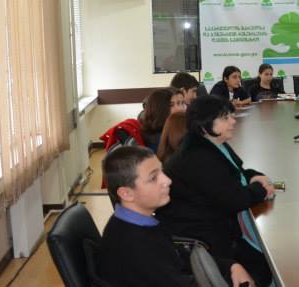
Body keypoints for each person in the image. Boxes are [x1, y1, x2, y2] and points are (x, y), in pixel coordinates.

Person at [157, 96, 275, 287]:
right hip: (205, 238)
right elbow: (235, 199)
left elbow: (235, 173)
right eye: (225, 118)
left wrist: (254, 176)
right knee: (267, 263)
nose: (233, 121)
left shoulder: (212, 143)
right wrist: (261, 189)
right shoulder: (197, 156)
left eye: (231, 115)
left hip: (215, 224)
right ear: (204, 125)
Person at [98, 145, 254, 287]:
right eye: (153, 178)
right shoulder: (136, 247)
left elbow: (178, 256)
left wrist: (230, 266)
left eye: (162, 171)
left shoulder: (142, 222)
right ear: (126, 193)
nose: (167, 180)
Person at [141, 88, 185, 153]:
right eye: (171, 105)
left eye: (182, 103)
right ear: (159, 109)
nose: (181, 108)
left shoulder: (173, 129)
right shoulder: (156, 139)